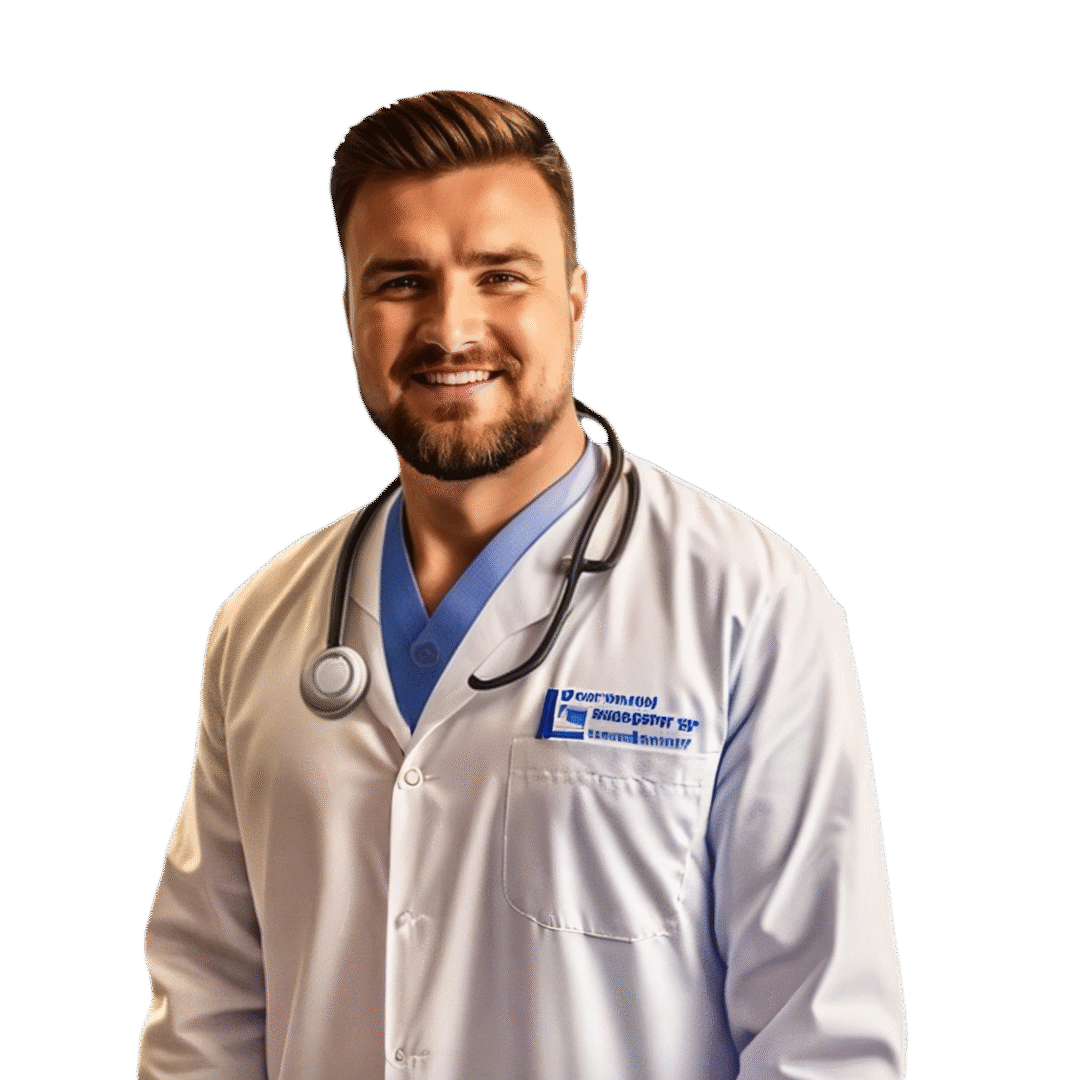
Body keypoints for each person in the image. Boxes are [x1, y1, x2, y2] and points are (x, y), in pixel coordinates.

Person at [138, 89, 907, 1080]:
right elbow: (205, 1012)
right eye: (400, 282)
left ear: (575, 300)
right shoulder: (257, 627)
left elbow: (822, 1040)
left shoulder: (749, 605)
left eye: (501, 275)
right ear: (349, 314)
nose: (451, 328)